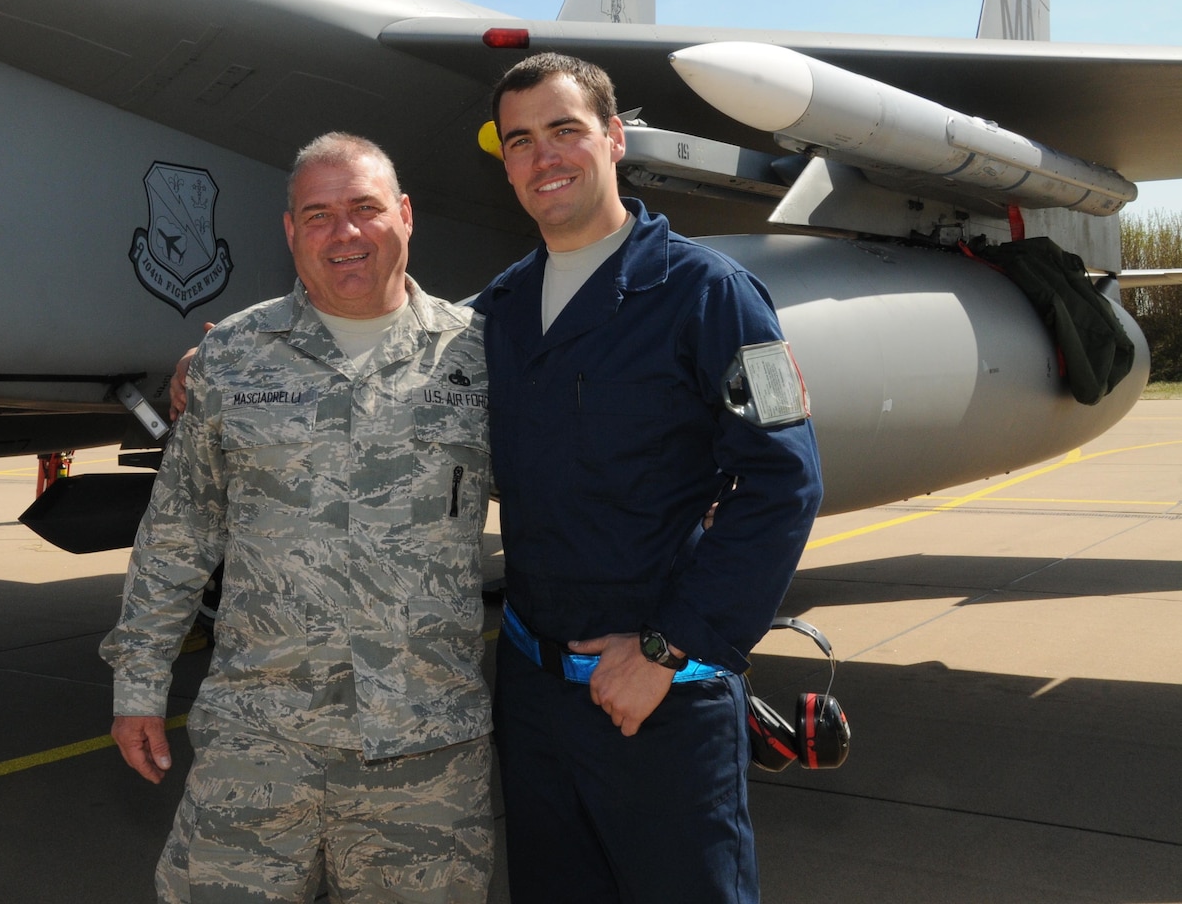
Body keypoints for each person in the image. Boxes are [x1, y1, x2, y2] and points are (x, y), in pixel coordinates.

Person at [100, 132, 495, 903]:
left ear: (406, 216)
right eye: (318, 215)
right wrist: (138, 685)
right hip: (258, 743)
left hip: (425, 753)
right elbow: (179, 534)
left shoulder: (479, 356)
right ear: (289, 232)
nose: (344, 234)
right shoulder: (235, 356)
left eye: (365, 209)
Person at [475, 53, 823, 903]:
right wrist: (220, 359)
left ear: (614, 138)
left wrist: (670, 649)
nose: (543, 157)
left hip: (662, 698)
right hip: (533, 695)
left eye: (565, 130)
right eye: (520, 141)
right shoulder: (499, 310)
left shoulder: (711, 294)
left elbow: (785, 482)